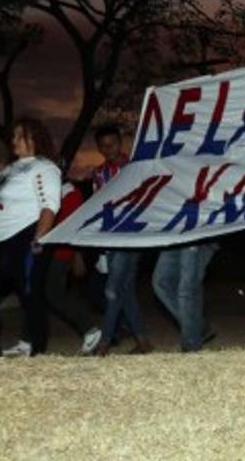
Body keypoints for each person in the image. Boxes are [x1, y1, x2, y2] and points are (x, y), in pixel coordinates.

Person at [0, 117, 62, 358]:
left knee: (30, 293)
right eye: (13, 136)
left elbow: (49, 205)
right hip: (0, 240)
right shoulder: (11, 168)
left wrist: (39, 237)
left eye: (19, 135)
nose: (13, 140)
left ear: (34, 137)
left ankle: (38, 350)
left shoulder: (45, 167)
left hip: (27, 235)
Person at [92, 124, 152, 355]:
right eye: (104, 146)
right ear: (99, 148)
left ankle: (105, 342)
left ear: (121, 142)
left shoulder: (135, 168)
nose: (109, 149)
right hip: (110, 238)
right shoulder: (98, 173)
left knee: (112, 290)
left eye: (113, 144)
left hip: (132, 235)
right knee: (124, 289)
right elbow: (98, 206)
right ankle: (143, 341)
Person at [46, 180, 102, 355]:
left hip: (60, 251)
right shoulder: (48, 190)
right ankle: (28, 341)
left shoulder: (71, 192)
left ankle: (91, 329)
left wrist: (77, 255)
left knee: (54, 294)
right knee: (36, 295)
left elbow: (75, 224)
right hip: (45, 250)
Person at [152, 240, 219, 353]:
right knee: (161, 283)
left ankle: (190, 346)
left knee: (187, 289)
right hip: (174, 234)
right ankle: (200, 327)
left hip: (199, 233)